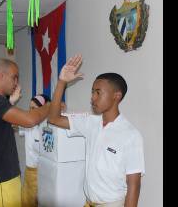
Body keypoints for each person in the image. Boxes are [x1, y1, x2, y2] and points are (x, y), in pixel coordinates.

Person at [48, 55, 145, 207]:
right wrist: (62, 82)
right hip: (88, 203)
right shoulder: (90, 122)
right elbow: (53, 119)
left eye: (98, 93)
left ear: (116, 96)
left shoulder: (130, 135)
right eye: (92, 92)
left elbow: (134, 184)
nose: (92, 98)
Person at [0, 58, 50, 207]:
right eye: (14, 77)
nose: (16, 83)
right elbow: (30, 120)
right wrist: (51, 105)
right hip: (1, 182)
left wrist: (10, 103)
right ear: (1, 76)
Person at [20, 95, 66, 207]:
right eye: (29, 108)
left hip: (43, 172)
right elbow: (12, 122)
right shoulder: (27, 124)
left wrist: (58, 108)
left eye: (34, 108)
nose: (30, 111)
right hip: (29, 172)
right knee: (26, 202)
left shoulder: (49, 127)